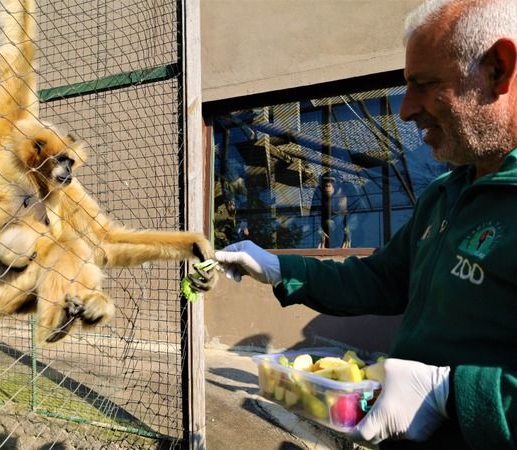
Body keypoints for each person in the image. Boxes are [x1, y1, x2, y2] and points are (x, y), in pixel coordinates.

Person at [204, 1, 517, 448]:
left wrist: (453, 392)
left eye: (424, 84)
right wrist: (279, 268)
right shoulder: (445, 193)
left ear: (499, 69)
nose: (406, 109)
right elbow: (381, 279)